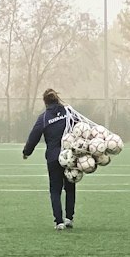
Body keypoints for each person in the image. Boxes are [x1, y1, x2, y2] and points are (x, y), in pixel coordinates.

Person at [22, 88, 76, 230]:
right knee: (70, 187)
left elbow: (34, 136)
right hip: (69, 156)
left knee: (55, 190)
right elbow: (81, 127)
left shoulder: (44, 117)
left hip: (53, 158)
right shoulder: (69, 112)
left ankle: (59, 222)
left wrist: (26, 152)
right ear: (57, 99)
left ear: (45, 103)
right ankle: (69, 218)